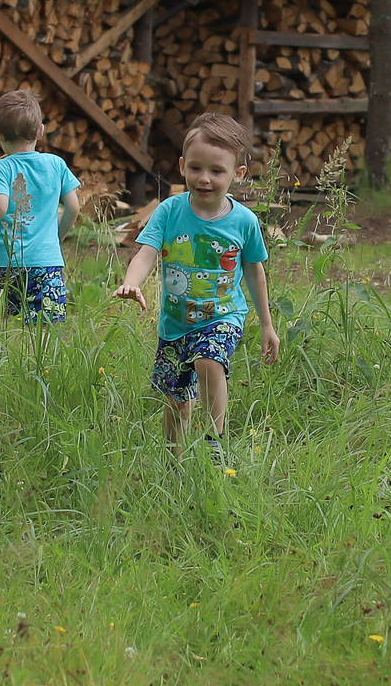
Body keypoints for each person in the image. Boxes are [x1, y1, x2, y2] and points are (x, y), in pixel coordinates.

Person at [114, 111, 279, 455]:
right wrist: (132, 282)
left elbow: (254, 271)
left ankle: (214, 445)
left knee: (208, 360)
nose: (204, 179)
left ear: (238, 174)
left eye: (217, 171)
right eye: (196, 168)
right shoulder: (169, 211)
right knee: (177, 403)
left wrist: (266, 324)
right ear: (181, 165)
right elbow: (146, 253)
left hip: (223, 317)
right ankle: (173, 465)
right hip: (175, 325)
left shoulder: (243, 222)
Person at [0, 88, 80, 323]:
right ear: (40, 130)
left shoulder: (3, 167)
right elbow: (74, 207)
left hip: (9, 260)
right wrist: (56, 237)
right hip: (47, 260)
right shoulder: (56, 164)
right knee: (45, 321)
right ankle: (37, 360)